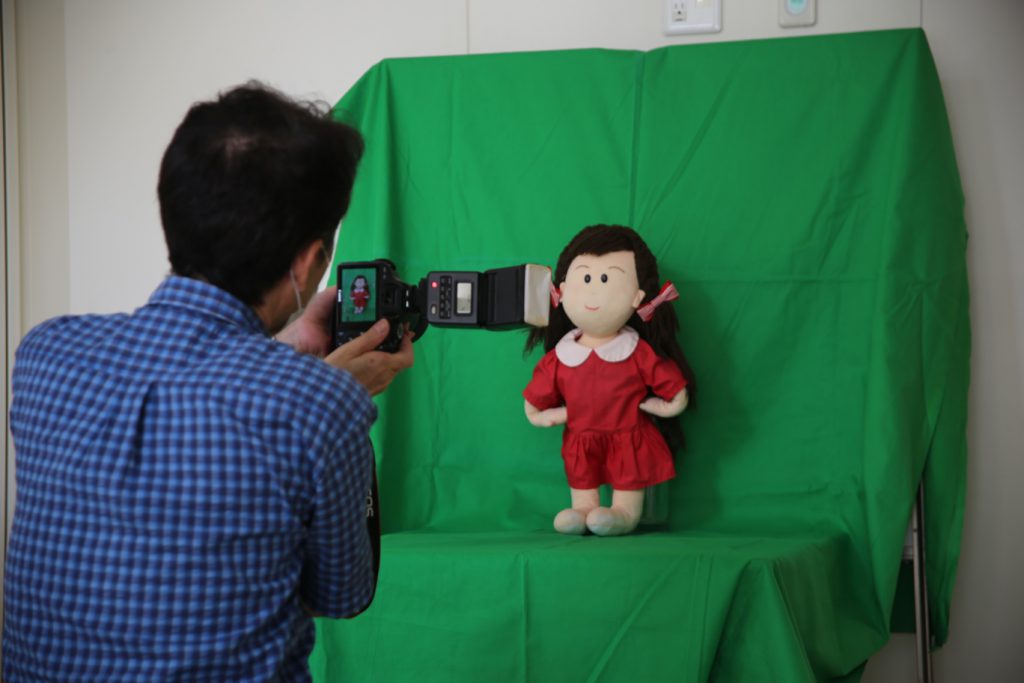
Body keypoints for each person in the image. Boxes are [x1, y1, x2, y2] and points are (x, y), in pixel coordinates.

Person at [1, 83, 412, 682]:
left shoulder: (46, 354)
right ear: (306, 262)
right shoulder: (321, 404)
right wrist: (335, 395)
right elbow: (339, 596)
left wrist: (288, 358)